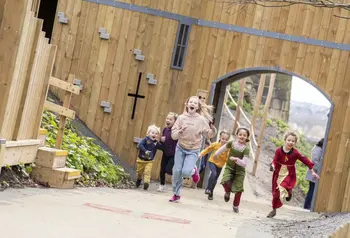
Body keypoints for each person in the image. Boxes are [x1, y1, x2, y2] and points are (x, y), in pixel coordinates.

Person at [169, 96, 217, 202]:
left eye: (195, 103)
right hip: (180, 148)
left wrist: (213, 130)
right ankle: (176, 194)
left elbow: (208, 134)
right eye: (191, 102)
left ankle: (194, 170)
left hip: (193, 150)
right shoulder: (181, 118)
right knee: (177, 171)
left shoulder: (201, 120)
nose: (192, 104)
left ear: (198, 107)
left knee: (185, 172)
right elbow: (173, 136)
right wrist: (179, 132)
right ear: (187, 104)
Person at [267, 132, 320, 218]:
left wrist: (312, 170)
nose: (290, 142)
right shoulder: (278, 150)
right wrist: (273, 165)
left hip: (289, 173)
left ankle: (288, 191)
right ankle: (274, 210)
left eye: (293, 141)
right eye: (289, 140)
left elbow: (304, 159)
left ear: (295, 142)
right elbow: (275, 160)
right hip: (278, 173)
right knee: (276, 194)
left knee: (283, 186)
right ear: (285, 140)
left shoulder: (295, 152)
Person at [214, 127, 250, 213]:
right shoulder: (232, 143)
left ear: (247, 137)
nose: (242, 136)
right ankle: (227, 192)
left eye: (244, 135)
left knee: (238, 189)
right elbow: (223, 148)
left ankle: (236, 205)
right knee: (225, 181)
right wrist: (216, 154)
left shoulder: (246, 149)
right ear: (237, 135)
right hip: (229, 168)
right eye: (240, 134)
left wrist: (236, 159)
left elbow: (244, 163)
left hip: (240, 172)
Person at [199, 130, 230, 200]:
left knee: (215, 179)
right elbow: (208, 149)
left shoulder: (228, 148)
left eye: (226, 140)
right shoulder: (215, 144)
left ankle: (211, 193)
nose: (224, 141)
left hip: (220, 165)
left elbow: (228, 157)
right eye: (223, 139)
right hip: (212, 161)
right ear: (220, 138)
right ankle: (208, 189)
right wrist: (202, 153)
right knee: (213, 173)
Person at [157, 112, 178, 192]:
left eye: (170, 119)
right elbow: (163, 141)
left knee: (168, 169)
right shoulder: (165, 129)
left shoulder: (175, 131)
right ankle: (162, 185)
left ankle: (178, 176)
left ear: (175, 122)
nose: (168, 120)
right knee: (162, 169)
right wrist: (161, 140)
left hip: (173, 154)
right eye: (167, 118)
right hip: (165, 153)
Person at [136, 124, 161, 190]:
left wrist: (163, 142)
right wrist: (145, 150)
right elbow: (140, 145)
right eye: (152, 133)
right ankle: (139, 179)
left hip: (149, 161)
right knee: (139, 172)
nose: (154, 135)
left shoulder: (156, 143)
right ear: (148, 133)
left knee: (147, 172)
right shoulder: (145, 139)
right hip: (141, 159)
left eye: (156, 134)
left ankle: (146, 183)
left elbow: (162, 147)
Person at [304, 138, 324, 210]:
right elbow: (314, 162)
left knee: (312, 189)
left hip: (314, 173)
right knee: (312, 190)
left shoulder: (318, 149)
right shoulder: (318, 150)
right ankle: (307, 206)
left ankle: (308, 205)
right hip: (314, 173)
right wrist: (321, 170)